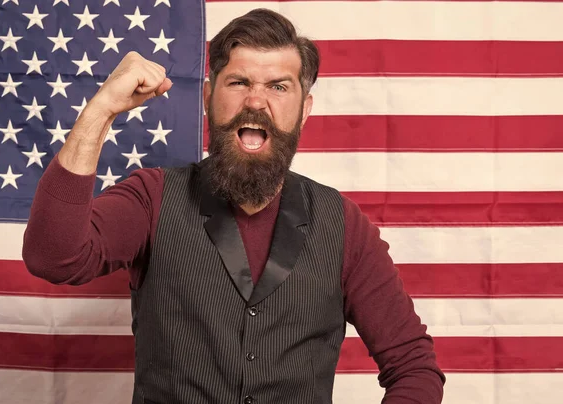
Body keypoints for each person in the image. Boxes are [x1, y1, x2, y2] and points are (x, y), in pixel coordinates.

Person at [22, 8, 446, 404]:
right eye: (239, 82)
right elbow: (54, 257)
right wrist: (99, 111)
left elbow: (413, 367)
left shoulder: (343, 225)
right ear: (208, 98)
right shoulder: (151, 198)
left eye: (279, 87)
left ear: (304, 110)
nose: (256, 102)